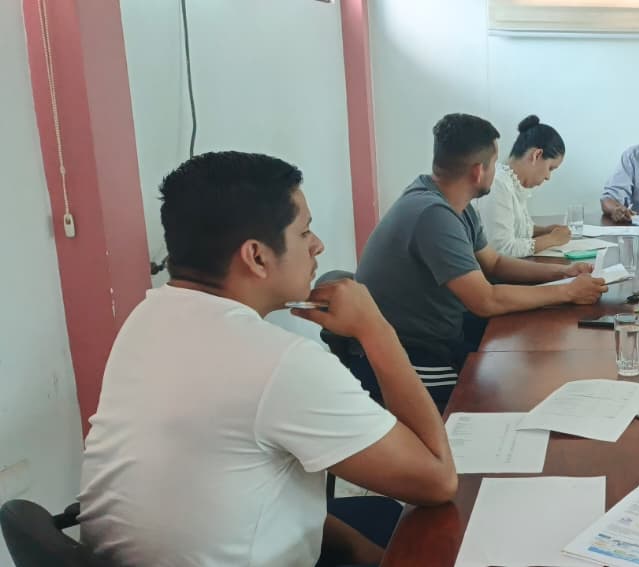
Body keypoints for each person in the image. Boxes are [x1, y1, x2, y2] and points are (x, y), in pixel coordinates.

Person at [79, 151, 458, 567]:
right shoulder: (282, 363)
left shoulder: (146, 319)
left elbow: (247, 486)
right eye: (304, 232)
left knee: (381, 523)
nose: (317, 245)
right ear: (256, 256)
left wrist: (365, 553)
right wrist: (376, 330)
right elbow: (437, 481)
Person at [357, 113, 607, 410]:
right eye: (494, 163)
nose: (498, 170)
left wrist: (561, 273)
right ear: (478, 171)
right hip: (407, 352)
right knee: (494, 402)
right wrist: (568, 292)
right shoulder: (433, 215)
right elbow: (485, 300)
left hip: (443, 332)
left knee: (518, 373)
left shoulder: (455, 205)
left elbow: (495, 263)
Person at [475, 115, 572, 257]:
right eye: (550, 168)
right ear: (536, 155)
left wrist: (545, 230)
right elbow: (501, 249)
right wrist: (551, 239)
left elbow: (516, 229)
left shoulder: (512, 183)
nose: (548, 177)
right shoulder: (498, 184)